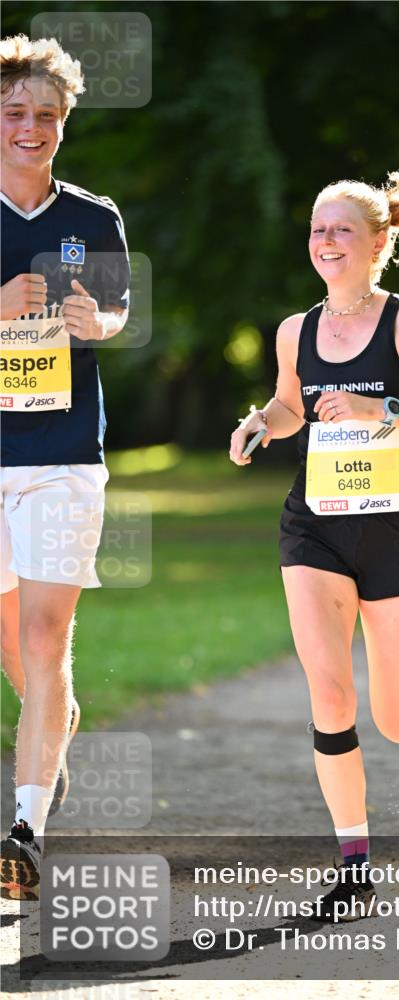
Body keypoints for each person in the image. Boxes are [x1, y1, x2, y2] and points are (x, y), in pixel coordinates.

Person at [229, 168, 399, 920]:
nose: (324, 241)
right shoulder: (296, 330)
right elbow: (293, 406)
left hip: (398, 532)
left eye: (340, 229)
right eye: (317, 229)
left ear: (377, 242)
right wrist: (261, 421)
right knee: (328, 693)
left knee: (388, 713)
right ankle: (354, 863)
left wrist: (380, 408)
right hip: (315, 525)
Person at [0, 35, 130, 899]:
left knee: (47, 637)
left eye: (46, 114)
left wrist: (97, 322)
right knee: (18, 652)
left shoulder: (95, 218)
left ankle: (24, 829)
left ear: (64, 123)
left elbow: (118, 314)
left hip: (61, 458)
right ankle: (54, 729)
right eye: (14, 112)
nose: (30, 127)